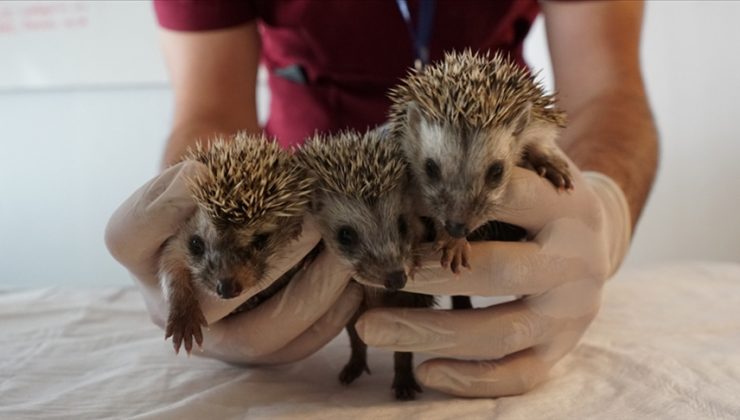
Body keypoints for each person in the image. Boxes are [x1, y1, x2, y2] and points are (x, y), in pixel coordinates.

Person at [105, 0, 658, 397]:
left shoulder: (509, 132)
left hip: (504, 227)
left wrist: (604, 208)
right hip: (301, 222)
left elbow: (606, 92)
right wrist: (195, 232)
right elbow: (211, 109)